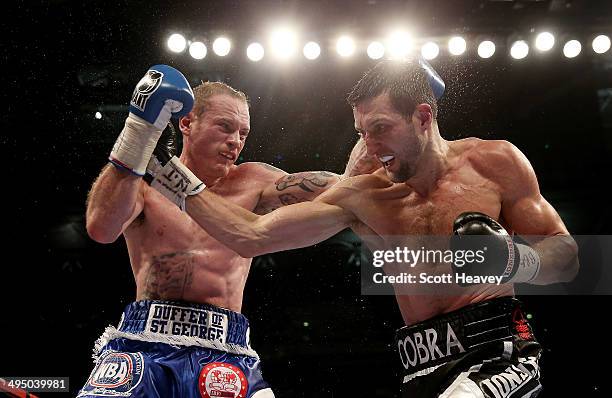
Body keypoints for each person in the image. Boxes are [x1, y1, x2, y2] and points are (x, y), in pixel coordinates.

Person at [144, 59, 579, 397]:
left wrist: (512, 261)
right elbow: (251, 236)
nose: (370, 146)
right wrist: (167, 172)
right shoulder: (364, 196)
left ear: (423, 118)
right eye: (361, 133)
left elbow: (567, 258)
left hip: (500, 348)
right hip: (421, 362)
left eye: (380, 129)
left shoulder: (494, 162)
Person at [78, 65, 366, 398]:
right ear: (187, 123)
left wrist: (373, 152)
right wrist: (138, 132)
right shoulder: (143, 183)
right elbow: (100, 228)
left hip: (223, 348)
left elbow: (342, 190)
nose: (235, 142)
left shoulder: (253, 181)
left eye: (243, 133)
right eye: (225, 127)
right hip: (145, 344)